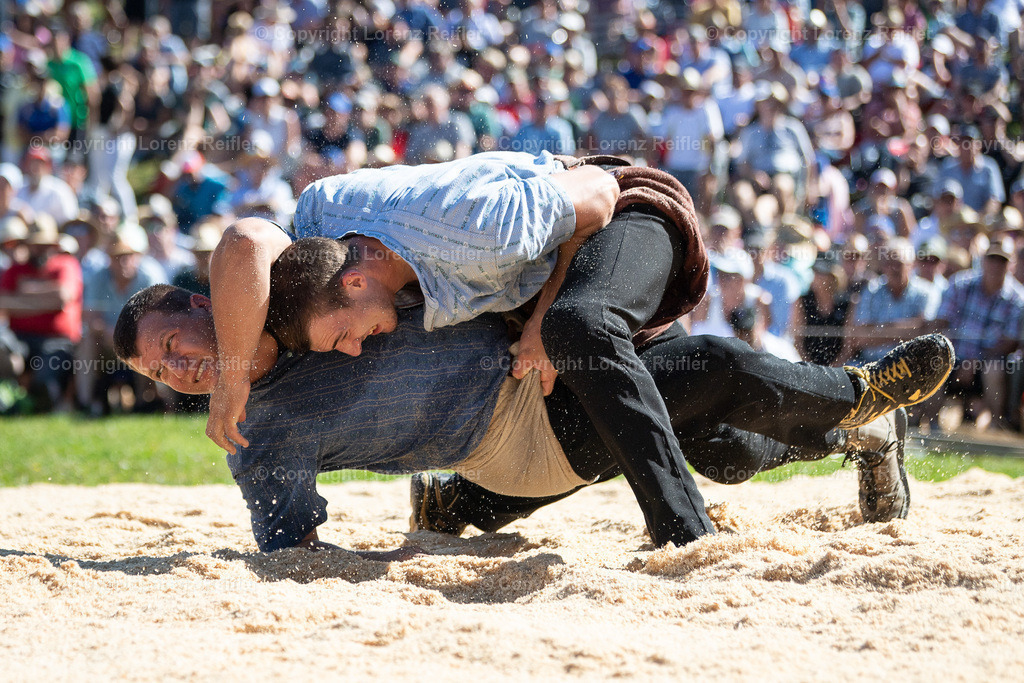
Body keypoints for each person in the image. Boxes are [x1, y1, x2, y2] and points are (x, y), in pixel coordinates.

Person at [208, 152, 950, 549]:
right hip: (564, 312)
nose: (350, 352)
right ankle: (863, 431)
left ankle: (851, 396)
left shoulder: (472, 231)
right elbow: (250, 250)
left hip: (626, 215)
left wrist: (543, 321)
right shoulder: (321, 222)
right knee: (723, 447)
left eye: (342, 335)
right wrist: (237, 366)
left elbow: (593, 194)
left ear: (357, 276)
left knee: (580, 328)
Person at [113, 283, 953, 552]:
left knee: (722, 446)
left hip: (539, 358)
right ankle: (860, 392)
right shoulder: (254, 434)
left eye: (172, 342)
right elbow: (290, 549)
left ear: (204, 303)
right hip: (520, 436)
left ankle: (863, 435)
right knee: (714, 367)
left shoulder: (297, 280)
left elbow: (242, 245)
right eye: (158, 370)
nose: (175, 368)